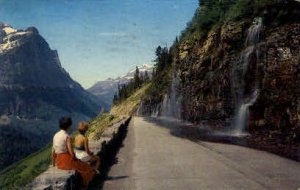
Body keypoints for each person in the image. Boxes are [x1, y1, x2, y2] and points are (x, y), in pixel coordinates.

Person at [52, 117, 95, 190]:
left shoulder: (55, 135)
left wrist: (54, 162)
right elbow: (71, 152)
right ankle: (84, 186)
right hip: (66, 161)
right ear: (69, 126)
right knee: (87, 168)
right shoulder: (67, 136)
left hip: (58, 161)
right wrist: (75, 158)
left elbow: (53, 151)